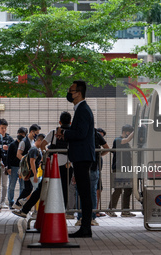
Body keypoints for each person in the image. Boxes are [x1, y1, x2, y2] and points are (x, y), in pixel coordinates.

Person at [56, 80, 95, 238]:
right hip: (81, 155)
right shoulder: (80, 109)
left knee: (84, 193)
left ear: (78, 93)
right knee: (83, 192)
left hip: (82, 156)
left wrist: (65, 134)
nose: (69, 93)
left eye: (71, 90)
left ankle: (86, 228)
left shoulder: (83, 110)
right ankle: (85, 227)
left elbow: (81, 133)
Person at [75, 128, 109, 226]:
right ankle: (92, 218)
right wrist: (98, 155)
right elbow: (106, 148)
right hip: (93, 166)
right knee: (92, 192)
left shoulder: (78, 133)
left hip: (80, 166)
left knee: (80, 192)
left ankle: (80, 217)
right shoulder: (95, 133)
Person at [41, 111, 73, 209]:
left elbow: (42, 145)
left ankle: (52, 208)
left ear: (60, 122)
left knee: (52, 188)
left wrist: (47, 154)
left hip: (53, 164)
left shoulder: (54, 132)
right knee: (65, 189)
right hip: (68, 165)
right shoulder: (72, 133)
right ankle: (62, 210)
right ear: (70, 123)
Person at [107, 124, 135, 217]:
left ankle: (125, 210)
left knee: (128, 189)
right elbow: (126, 140)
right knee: (118, 189)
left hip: (126, 168)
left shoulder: (126, 143)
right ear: (125, 132)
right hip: (119, 167)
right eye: (129, 132)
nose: (130, 134)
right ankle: (110, 209)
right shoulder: (118, 140)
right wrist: (136, 132)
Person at [13, 134, 45, 209]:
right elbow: (32, 162)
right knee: (38, 190)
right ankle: (23, 202)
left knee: (28, 189)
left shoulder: (36, 149)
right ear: (39, 140)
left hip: (30, 173)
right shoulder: (34, 149)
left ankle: (19, 203)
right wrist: (35, 175)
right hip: (31, 173)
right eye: (43, 142)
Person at [7, 127, 27, 209]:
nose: (21, 135)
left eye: (23, 134)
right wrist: (8, 167)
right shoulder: (12, 144)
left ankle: (19, 203)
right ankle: (11, 202)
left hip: (23, 168)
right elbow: (8, 157)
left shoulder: (25, 144)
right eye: (20, 133)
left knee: (22, 186)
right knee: (12, 186)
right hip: (13, 167)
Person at [0, 118, 14, 209]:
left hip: (6, 165)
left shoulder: (9, 138)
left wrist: (9, 149)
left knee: (5, 184)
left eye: (5, 128)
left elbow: (14, 150)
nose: (3, 130)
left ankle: (3, 202)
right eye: (2, 127)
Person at [96, 128, 108, 217]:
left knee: (98, 189)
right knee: (96, 190)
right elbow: (107, 148)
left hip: (97, 170)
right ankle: (94, 210)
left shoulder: (99, 151)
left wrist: (100, 154)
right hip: (94, 169)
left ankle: (95, 210)